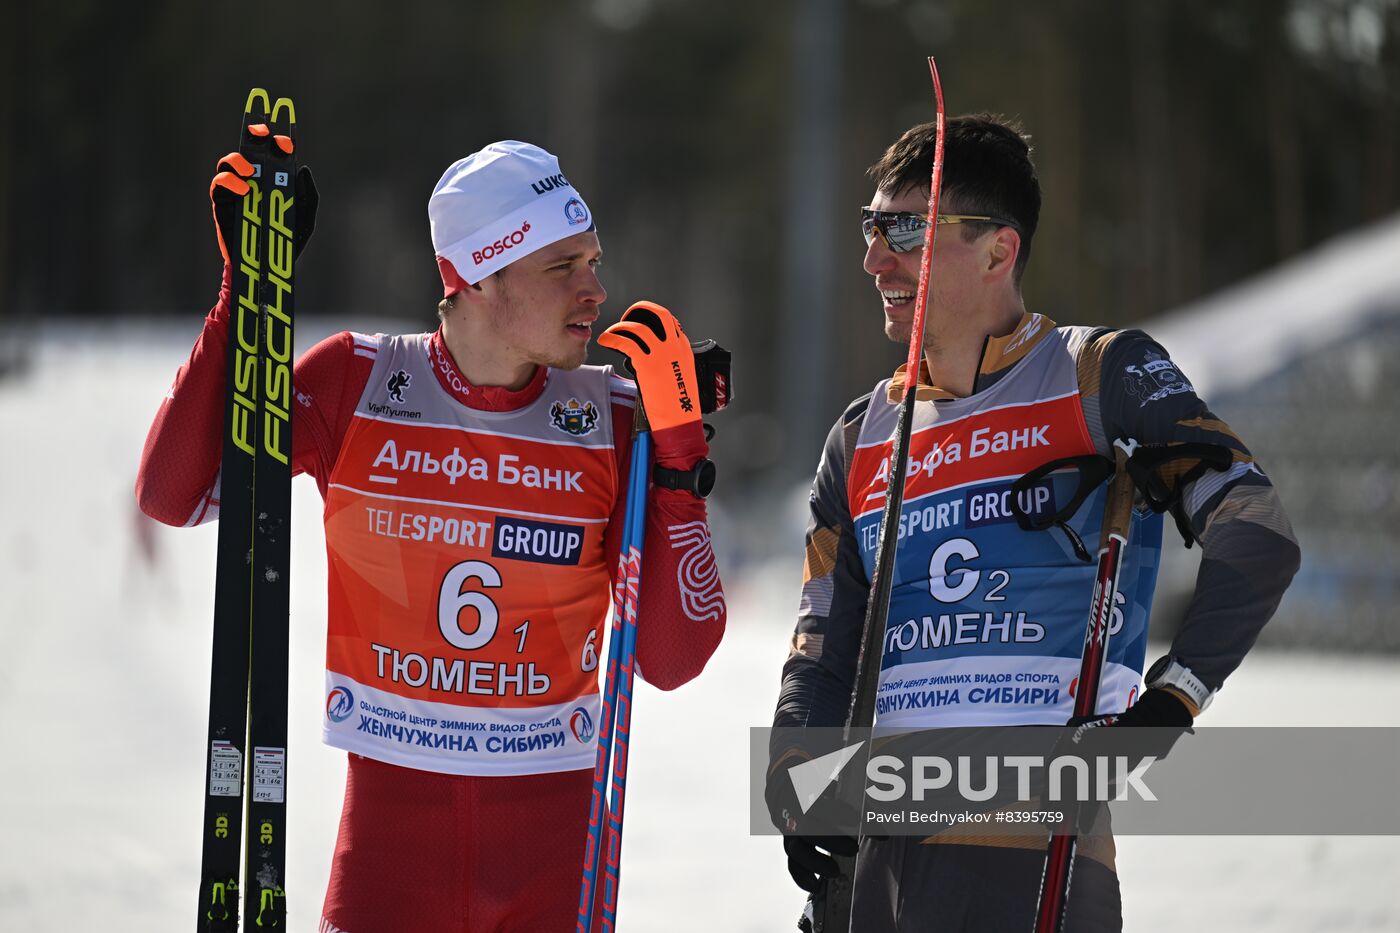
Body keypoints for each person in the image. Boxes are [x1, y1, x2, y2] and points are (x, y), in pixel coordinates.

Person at [138, 139, 727, 932]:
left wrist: (681, 460)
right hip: (387, 872)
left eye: (592, 260)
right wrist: (243, 296)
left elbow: (671, 659)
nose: (596, 290)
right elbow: (174, 493)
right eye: (563, 267)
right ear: (473, 275)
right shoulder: (356, 381)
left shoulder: (617, 416)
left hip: (555, 876)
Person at [767, 114, 1300, 931]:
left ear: (997, 249)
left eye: (907, 229)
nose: (876, 258)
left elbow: (1258, 531)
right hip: (876, 867)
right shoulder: (861, 434)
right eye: (871, 228)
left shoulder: (1099, 373)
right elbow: (823, 638)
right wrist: (800, 773)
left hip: (1033, 856)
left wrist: (1173, 699)